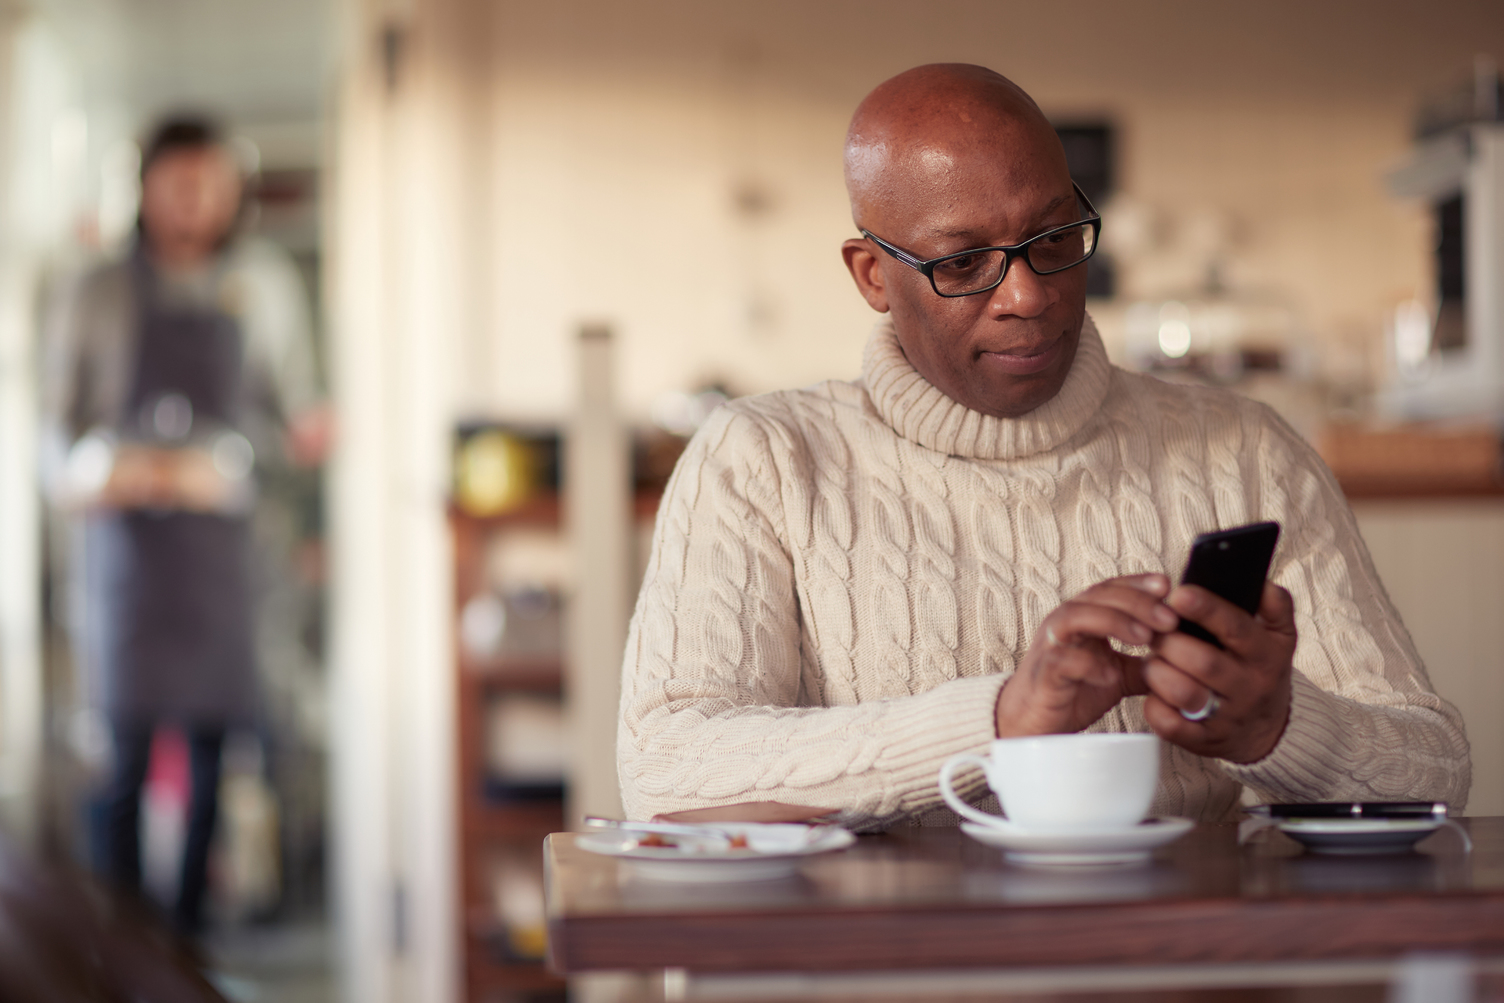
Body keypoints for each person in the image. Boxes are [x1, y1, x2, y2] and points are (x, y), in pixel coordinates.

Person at [616, 64, 1470, 828]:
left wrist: (1278, 728)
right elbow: (665, 766)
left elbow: (1436, 764)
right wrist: (997, 720)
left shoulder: (1244, 450)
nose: (1027, 294)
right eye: (962, 263)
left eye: (1054, 241)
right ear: (873, 275)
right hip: (872, 962)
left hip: (1180, 956)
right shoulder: (760, 460)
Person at [42, 116, 328, 931]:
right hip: (125, 565)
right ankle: (117, 952)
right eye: (178, 181)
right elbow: (54, 439)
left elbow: (288, 417)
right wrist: (109, 471)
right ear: (147, 187)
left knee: (214, 758)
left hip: (223, 564)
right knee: (121, 765)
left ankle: (188, 954)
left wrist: (286, 442)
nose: (195, 200)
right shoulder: (94, 290)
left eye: (212, 182)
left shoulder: (264, 286)